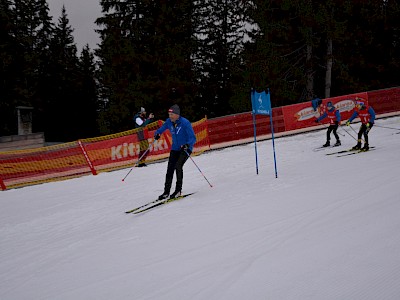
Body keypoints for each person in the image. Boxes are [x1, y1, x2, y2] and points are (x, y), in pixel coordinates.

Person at [154, 104, 196, 200]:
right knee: (170, 169)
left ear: (177, 114)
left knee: (178, 166)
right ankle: (166, 192)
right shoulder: (169, 122)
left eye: (172, 114)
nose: (170, 116)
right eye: (169, 114)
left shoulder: (185, 123)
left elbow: (193, 138)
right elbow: (161, 129)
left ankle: (178, 190)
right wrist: (157, 134)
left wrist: (187, 145)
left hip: (186, 148)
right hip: (175, 148)